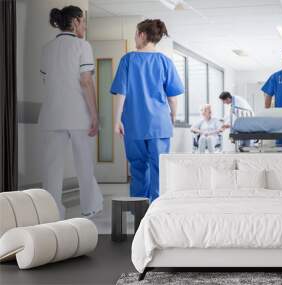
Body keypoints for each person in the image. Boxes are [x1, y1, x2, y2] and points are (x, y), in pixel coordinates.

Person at [39, 6, 103, 219]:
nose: (85, 26)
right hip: (78, 114)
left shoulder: (47, 48)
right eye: (83, 21)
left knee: (51, 169)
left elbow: (46, 81)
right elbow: (86, 81)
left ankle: (52, 213)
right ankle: (90, 207)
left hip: (51, 115)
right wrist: (95, 115)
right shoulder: (82, 46)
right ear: (75, 22)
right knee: (84, 163)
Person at [110, 19, 184, 202]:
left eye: (136, 34)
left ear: (142, 35)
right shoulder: (165, 62)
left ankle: (139, 212)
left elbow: (121, 93)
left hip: (134, 124)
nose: (135, 38)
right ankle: (157, 209)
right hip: (159, 124)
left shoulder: (127, 60)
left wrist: (117, 120)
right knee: (159, 168)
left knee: (138, 167)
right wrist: (172, 117)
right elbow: (172, 98)